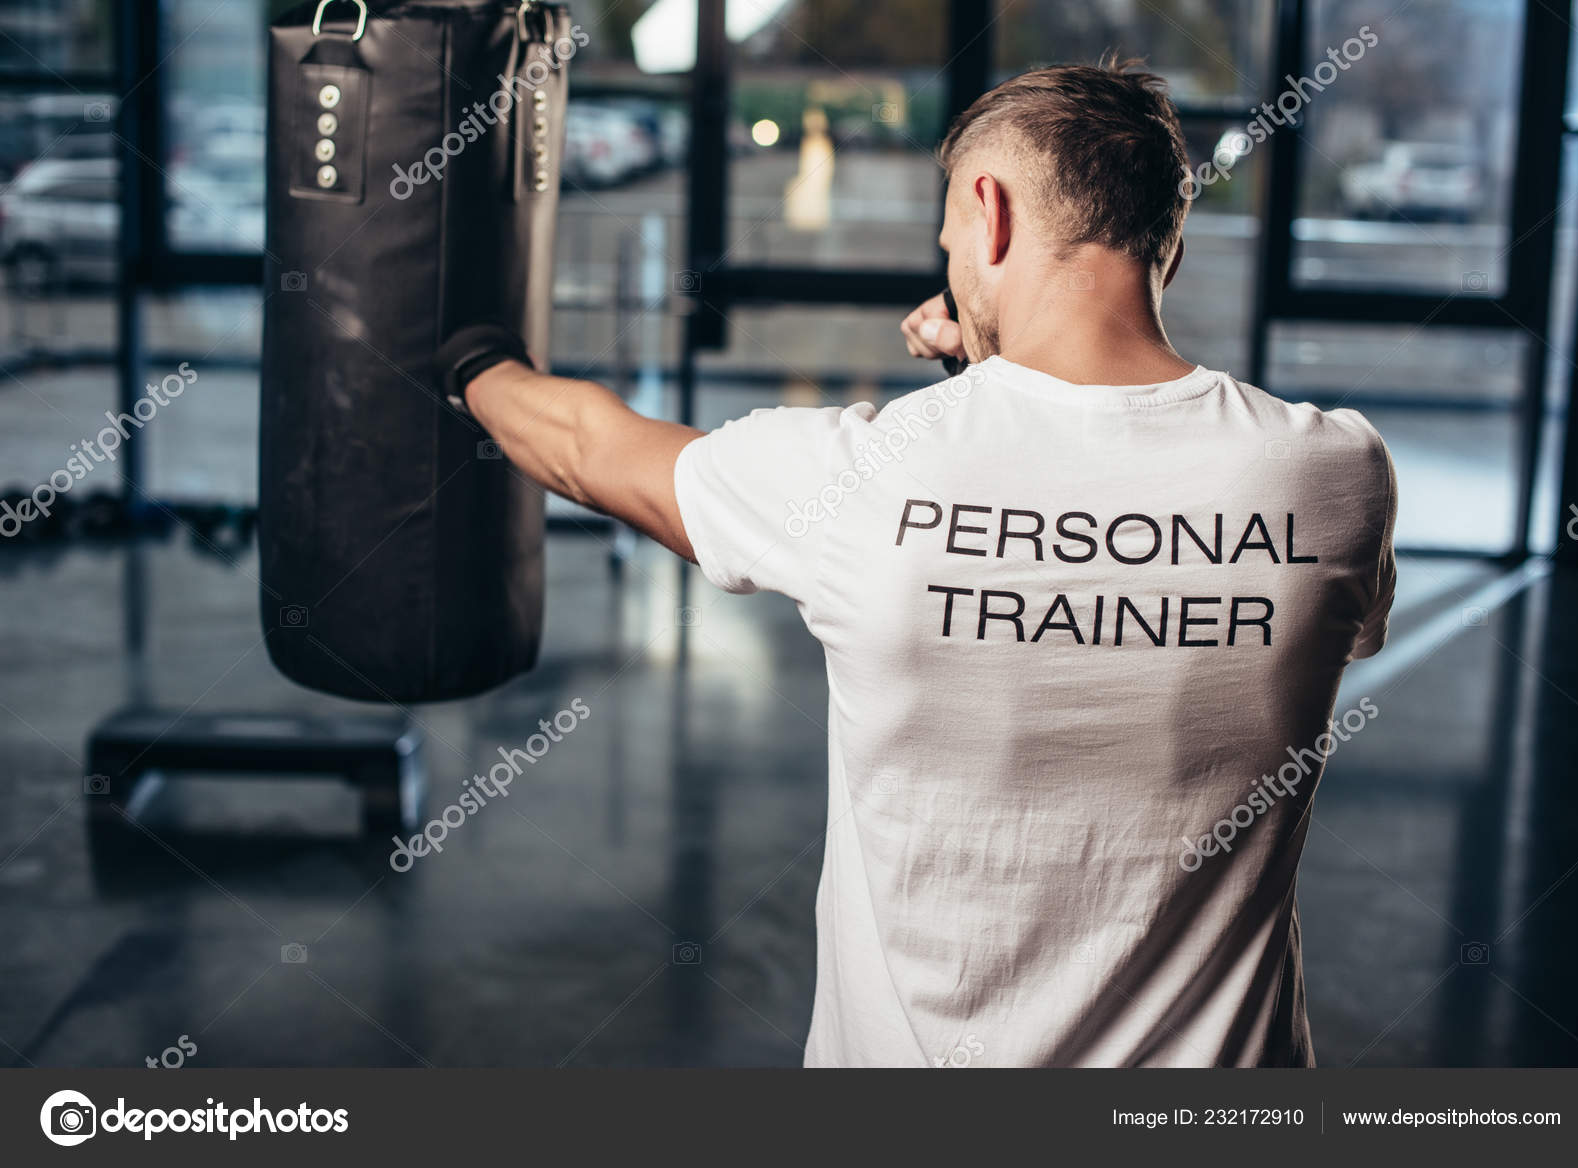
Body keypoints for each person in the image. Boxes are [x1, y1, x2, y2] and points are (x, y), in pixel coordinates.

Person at [439, 60, 1397, 1067]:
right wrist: (990, 373)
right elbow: (1127, 493)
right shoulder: (1330, 474)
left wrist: (472, 358)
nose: (951, 265)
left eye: (949, 240)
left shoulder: (861, 483)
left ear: (989, 214)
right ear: (1170, 241)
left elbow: (589, 449)